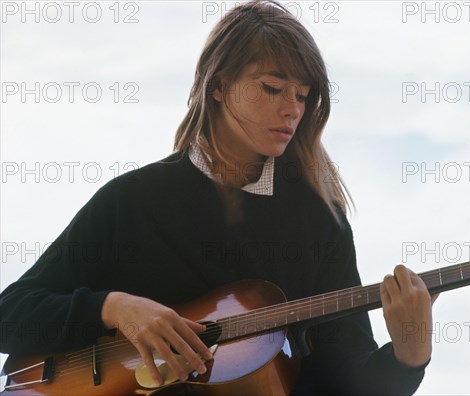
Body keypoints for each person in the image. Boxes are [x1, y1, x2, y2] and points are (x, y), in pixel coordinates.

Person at [0, 1, 436, 394]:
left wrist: (407, 358)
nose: (293, 109)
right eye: (272, 87)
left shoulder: (321, 222)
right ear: (219, 87)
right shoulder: (131, 201)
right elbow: (11, 315)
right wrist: (114, 308)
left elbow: (344, 382)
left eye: (303, 95)